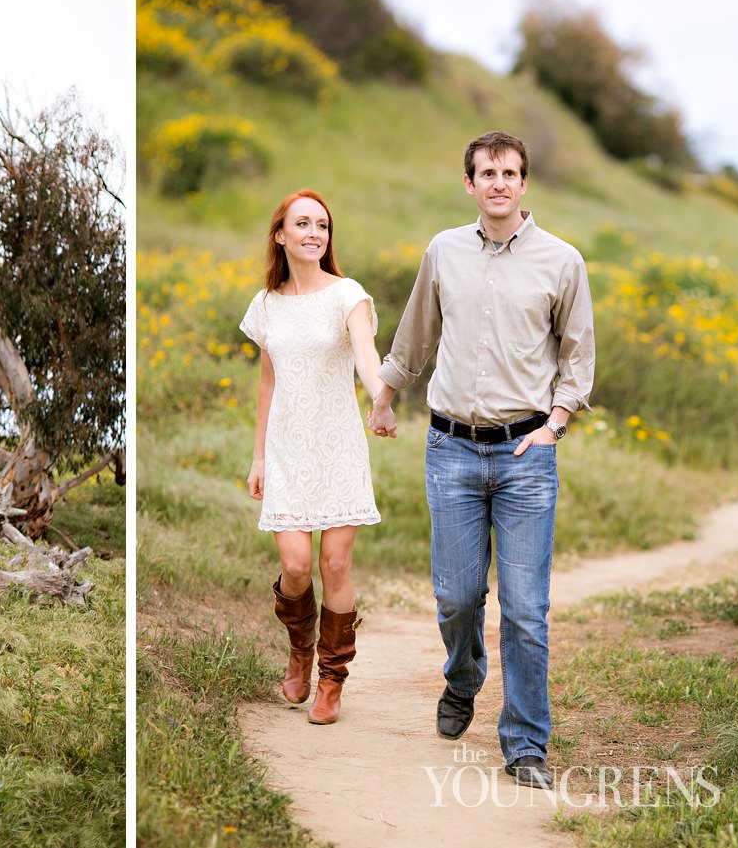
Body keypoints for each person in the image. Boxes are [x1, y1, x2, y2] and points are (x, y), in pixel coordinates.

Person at [368, 131, 595, 788]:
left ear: (525, 184)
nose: (498, 182)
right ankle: (463, 674)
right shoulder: (443, 252)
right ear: (469, 183)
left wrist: (556, 424)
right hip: (451, 450)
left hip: (527, 453)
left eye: (510, 172)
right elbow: (414, 336)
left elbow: (578, 356)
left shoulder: (563, 261)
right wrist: (385, 398)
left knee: (526, 610)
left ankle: (525, 744)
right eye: (486, 172)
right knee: (456, 596)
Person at [240, 189, 387, 725]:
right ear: (280, 234)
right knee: (297, 567)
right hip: (286, 448)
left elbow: (368, 356)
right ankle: (300, 647)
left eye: (321, 226)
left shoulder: (349, 295)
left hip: (338, 446)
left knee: (335, 564)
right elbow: (267, 382)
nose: (313, 233)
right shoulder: (266, 304)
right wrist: (257, 456)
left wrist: (381, 397)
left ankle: (331, 678)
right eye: (301, 224)